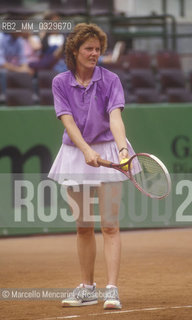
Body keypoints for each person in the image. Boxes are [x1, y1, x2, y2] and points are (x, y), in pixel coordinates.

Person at [48, 23, 136, 310]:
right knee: (83, 226)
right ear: (75, 51)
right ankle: (87, 288)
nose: (95, 53)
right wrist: (85, 150)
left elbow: (115, 118)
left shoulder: (111, 80)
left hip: (109, 148)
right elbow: (68, 121)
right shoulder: (60, 82)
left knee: (109, 226)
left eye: (98, 49)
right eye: (89, 48)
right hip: (75, 154)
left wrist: (122, 149)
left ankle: (111, 290)